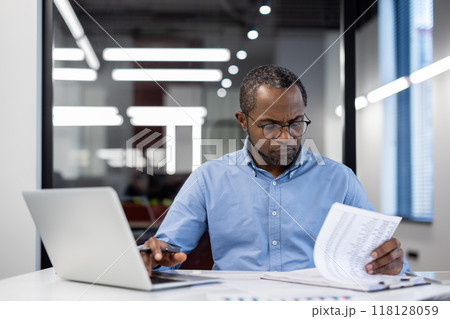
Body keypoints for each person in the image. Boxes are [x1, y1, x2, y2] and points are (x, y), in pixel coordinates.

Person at [141, 65, 408, 276]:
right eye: (270, 125)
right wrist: (155, 257)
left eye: (296, 123)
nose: (285, 136)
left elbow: (382, 260)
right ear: (243, 121)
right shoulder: (209, 179)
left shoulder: (339, 180)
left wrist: (391, 263)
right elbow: (166, 254)